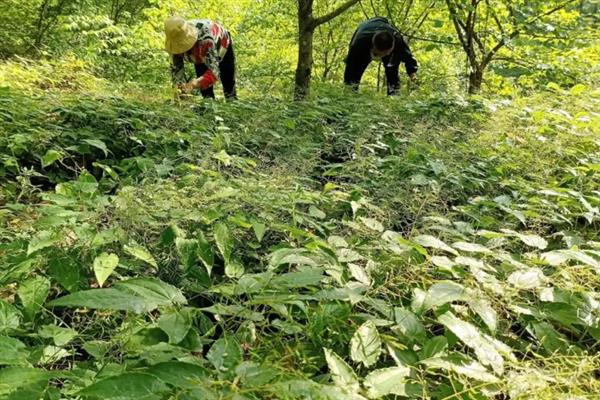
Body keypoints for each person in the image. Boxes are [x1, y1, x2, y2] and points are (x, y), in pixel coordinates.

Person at [164, 16, 237, 99]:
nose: (181, 50)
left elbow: (214, 74)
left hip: (222, 44)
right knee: (205, 91)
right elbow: (177, 73)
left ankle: (232, 102)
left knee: (228, 82)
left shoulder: (206, 40)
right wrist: (180, 92)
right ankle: (209, 107)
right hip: (199, 54)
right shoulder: (173, 43)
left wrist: (193, 84)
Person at [344, 17, 418, 95]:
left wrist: (412, 73)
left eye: (387, 52)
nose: (386, 55)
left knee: (392, 70)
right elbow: (350, 67)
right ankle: (350, 94)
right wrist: (348, 86)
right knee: (355, 73)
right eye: (380, 54)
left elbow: (408, 57)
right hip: (365, 30)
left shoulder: (397, 40)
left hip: (383, 23)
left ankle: (394, 97)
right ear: (374, 47)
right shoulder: (359, 44)